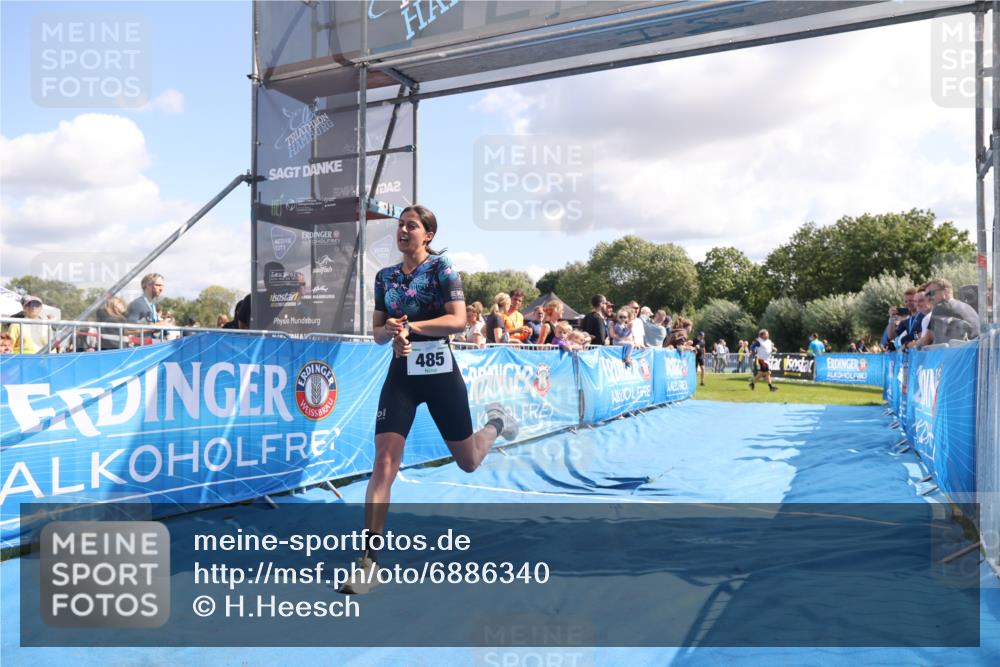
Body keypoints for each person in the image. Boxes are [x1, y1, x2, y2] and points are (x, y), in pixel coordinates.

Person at [345, 205, 518, 595]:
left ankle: (495, 423)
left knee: (469, 462)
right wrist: (387, 328)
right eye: (400, 225)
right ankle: (368, 561)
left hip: (440, 373)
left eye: (412, 225)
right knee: (384, 463)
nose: (403, 230)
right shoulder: (384, 277)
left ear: (429, 235)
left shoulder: (443, 269)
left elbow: (458, 320)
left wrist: (411, 326)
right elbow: (374, 333)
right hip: (402, 374)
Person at [924, 277, 980, 341]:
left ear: (946, 291)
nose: (929, 298)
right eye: (927, 295)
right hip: (974, 348)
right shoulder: (968, 307)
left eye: (931, 293)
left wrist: (911, 345)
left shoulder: (941, 307)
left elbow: (927, 339)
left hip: (962, 349)